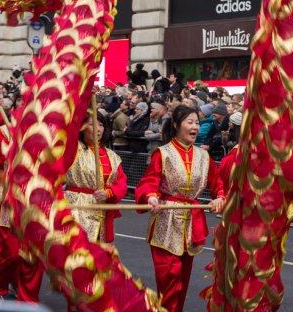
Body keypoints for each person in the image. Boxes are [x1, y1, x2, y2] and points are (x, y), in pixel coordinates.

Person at [135, 106, 221, 312]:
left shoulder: (203, 156)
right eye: (189, 122)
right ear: (176, 125)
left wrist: (220, 196)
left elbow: (218, 183)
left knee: (182, 281)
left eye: (197, 123)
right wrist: (151, 196)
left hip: (192, 224)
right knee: (169, 281)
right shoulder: (162, 154)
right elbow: (149, 182)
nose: (195, 127)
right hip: (166, 221)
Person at [0, 98, 43, 302]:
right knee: (5, 249)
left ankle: (20, 288)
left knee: (31, 251)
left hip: (35, 198)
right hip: (7, 194)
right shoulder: (4, 132)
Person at [66, 114, 128, 243]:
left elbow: (121, 183)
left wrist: (109, 193)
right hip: (77, 209)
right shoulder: (72, 148)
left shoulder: (112, 156)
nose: (98, 129)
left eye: (101, 125)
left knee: (99, 256)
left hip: (102, 212)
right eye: (92, 124)